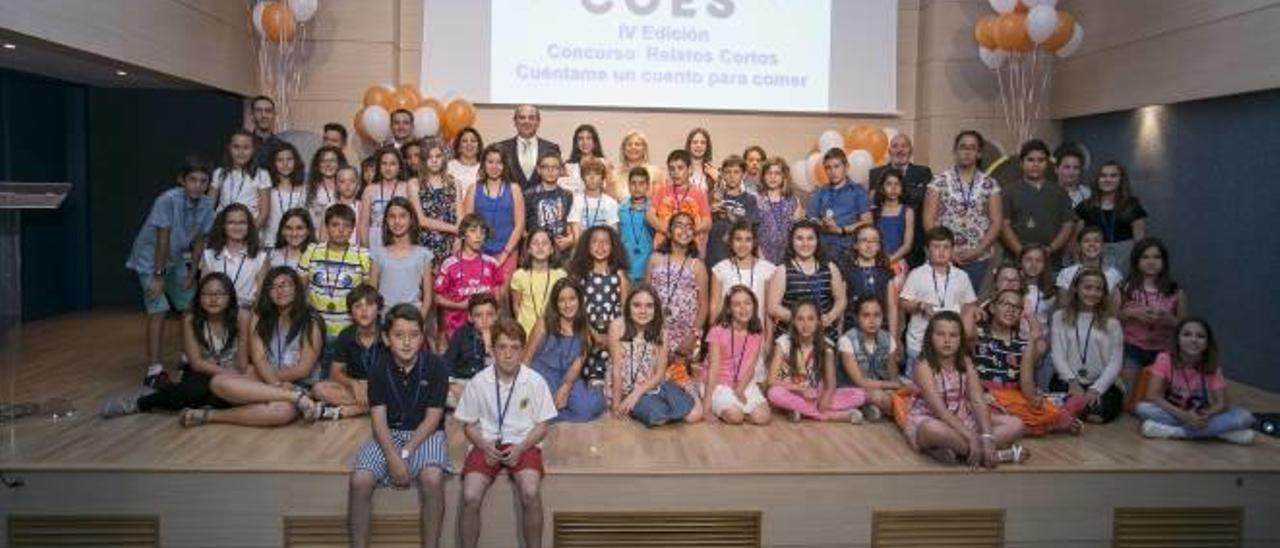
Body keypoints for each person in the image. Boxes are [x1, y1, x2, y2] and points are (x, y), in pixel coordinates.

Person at [348, 304, 450, 548]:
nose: (406, 342)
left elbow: (433, 418)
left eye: (414, 335)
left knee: (433, 478)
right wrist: (393, 457)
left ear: (422, 337)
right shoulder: (378, 369)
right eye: (398, 335)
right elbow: (378, 420)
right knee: (360, 480)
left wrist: (406, 452)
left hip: (425, 434)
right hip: (388, 433)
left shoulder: (436, 366)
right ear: (386, 337)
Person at [455, 319, 558, 548]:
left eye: (514, 348)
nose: (508, 354)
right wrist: (484, 445)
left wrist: (521, 447)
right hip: (486, 443)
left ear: (522, 350)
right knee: (470, 495)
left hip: (524, 442)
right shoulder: (479, 382)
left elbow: (542, 426)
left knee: (530, 491)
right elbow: (469, 425)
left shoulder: (535, 381)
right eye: (502, 347)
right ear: (492, 351)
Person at [186, 267, 324, 427]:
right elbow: (258, 358)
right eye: (272, 287)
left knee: (282, 411)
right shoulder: (260, 317)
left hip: (300, 383)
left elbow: (304, 369)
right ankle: (291, 398)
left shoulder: (311, 321)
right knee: (218, 382)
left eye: (285, 285)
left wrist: (277, 383)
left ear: (297, 289)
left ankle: (210, 416)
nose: (279, 291)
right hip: (268, 377)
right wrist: (276, 384)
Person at [102, 272, 246, 417]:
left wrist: (235, 373)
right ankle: (141, 402)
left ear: (230, 297)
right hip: (202, 372)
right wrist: (226, 373)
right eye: (207, 294)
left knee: (231, 396)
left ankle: (190, 399)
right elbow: (196, 363)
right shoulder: (191, 319)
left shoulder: (241, 318)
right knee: (194, 392)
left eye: (220, 294)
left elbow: (243, 363)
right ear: (199, 297)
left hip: (232, 371)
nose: (213, 299)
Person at [126, 157, 215, 388]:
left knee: (189, 305)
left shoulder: (206, 204)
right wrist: (157, 276)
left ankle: (189, 358)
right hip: (151, 260)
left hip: (175, 260)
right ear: (181, 180)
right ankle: (154, 369)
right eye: (192, 179)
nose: (197, 185)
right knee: (159, 308)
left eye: (203, 181)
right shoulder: (167, 200)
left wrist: (192, 271)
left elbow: (200, 240)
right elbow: (162, 240)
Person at [900, 312, 1028, 466]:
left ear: (961, 339)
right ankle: (995, 455)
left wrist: (987, 437)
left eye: (953, 335)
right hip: (933, 418)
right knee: (933, 430)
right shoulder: (923, 365)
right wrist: (970, 436)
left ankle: (963, 451)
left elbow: (978, 401)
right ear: (930, 337)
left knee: (1016, 425)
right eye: (940, 334)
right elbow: (939, 410)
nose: (947, 341)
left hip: (962, 417)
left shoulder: (965, 362)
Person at [971, 289, 1083, 436]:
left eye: (1016, 307)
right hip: (987, 396)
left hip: (1014, 395)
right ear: (992, 308)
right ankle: (1037, 425)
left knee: (1076, 401)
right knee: (986, 408)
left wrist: (1033, 337)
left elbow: (1027, 383)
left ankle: (1029, 423)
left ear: (1021, 314)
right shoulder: (978, 334)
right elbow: (965, 325)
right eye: (1005, 304)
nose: (1010, 309)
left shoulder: (1023, 344)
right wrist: (975, 309)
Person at [1136, 318, 1255, 444]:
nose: (1193, 340)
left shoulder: (1212, 365)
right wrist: (1185, 416)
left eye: (1200, 336)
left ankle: (1174, 432)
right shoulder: (1164, 359)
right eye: (1187, 335)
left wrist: (1202, 417)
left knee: (1245, 417)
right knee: (1143, 409)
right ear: (1178, 339)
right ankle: (1221, 433)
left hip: (1202, 415)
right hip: (1173, 412)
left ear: (1207, 343)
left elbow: (1222, 403)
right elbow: (1152, 395)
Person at [607, 286, 702, 426]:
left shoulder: (661, 331)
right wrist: (617, 404)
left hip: (652, 384)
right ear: (628, 307)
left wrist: (636, 394)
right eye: (637, 305)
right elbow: (616, 369)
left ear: (655, 309)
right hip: (626, 387)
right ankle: (661, 405)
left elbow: (659, 374)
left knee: (695, 415)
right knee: (658, 417)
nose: (643, 311)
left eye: (649, 306)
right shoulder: (617, 326)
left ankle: (689, 389)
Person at [923, 130, 1003, 293]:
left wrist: (977, 251)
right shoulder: (938, 181)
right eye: (963, 147)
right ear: (955, 151)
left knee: (972, 307)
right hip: (943, 256)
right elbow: (928, 219)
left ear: (979, 153)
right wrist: (947, 251)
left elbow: (996, 222)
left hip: (979, 257)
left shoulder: (990, 184)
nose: (967, 152)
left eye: (972, 148)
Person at [766, 300, 865, 423]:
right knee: (773, 393)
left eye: (810, 319)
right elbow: (771, 381)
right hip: (791, 392)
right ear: (794, 322)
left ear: (818, 322)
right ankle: (830, 416)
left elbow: (831, 384)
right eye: (800, 319)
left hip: (816, 395)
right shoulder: (783, 343)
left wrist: (826, 399)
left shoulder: (827, 346)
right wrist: (801, 390)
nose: (805, 324)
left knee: (860, 395)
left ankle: (801, 411)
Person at [524, 278, 606, 422]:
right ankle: (544, 414)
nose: (567, 305)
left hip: (568, 377)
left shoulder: (584, 331)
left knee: (586, 411)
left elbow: (577, 365)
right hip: (542, 376)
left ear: (579, 300)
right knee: (532, 408)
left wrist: (566, 387)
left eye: (572, 299)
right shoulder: (543, 324)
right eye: (562, 300)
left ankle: (551, 412)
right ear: (556, 304)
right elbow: (527, 359)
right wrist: (519, 387)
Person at [899, 227, 978, 374]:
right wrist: (920, 305)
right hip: (920, 343)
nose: (941, 252)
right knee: (915, 389)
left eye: (946, 247)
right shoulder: (916, 274)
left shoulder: (962, 276)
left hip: (951, 346)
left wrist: (972, 315)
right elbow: (903, 303)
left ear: (953, 250)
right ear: (927, 250)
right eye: (936, 247)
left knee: (946, 387)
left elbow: (970, 305)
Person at [1051, 268, 1125, 424]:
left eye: (1098, 289)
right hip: (1068, 380)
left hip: (1100, 383)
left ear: (1104, 293)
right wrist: (1072, 382)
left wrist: (1096, 388)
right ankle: (1075, 409)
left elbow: (1115, 362)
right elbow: (1057, 354)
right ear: (1076, 289)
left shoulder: (1113, 324)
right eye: (1087, 287)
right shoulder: (1060, 317)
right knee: (1064, 408)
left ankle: (1078, 410)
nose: (1092, 293)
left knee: (1096, 416)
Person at [298, 204, 376, 342]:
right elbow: (298, 291)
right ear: (327, 227)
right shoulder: (312, 251)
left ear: (353, 229)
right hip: (315, 328)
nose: (341, 230)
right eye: (335, 225)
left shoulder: (362, 255)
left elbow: (368, 297)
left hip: (348, 330)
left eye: (346, 226)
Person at [1117, 238, 1187, 391]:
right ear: (1137, 261)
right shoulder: (1126, 287)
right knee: (1126, 395)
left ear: (1164, 261)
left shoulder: (1175, 291)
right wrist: (1132, 313)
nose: (1151, 261)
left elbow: (1185, 329)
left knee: (1157, 396)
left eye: (1156, 257)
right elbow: (1113, 316)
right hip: (1132, 348)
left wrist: (1169, 319)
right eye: (1145, 257)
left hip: (1163, 350)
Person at [646, 213, 709, 382]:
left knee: (678, 382)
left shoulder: (698, 266)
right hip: (656, 332)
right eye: (679, 225)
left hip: (685, 337)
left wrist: (692, 336)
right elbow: (645, 297)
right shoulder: (655, 259)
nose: (685, 230)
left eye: (690, 227)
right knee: (653, 380)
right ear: (669, 231)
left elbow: (704, 306)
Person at [198, 204, 268, 353]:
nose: (237, 227)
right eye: (231, 222)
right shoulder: (209, 255)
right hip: (215, 315)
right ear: (222, 226)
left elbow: (261, 298)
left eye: (242, 222)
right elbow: (203, 293)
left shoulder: (261, 258)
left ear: (250, 226)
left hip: (247, 316)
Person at [766, 219, 847, 342]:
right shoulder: (783, 270)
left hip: (824, 336)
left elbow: (841, 300)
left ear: (817, 241)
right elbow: (773, 307)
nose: (805, 243)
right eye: (800, 238)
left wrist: (831, 316)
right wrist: (802, 321)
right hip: (791, 338)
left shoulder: (830, 267)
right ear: (792, 242)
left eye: (810, 238)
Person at [310, 284, 382, 421]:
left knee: (399, 391)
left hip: (383, 385)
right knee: (318, 389)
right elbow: (335, 373)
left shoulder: (387, 334)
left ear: (379, 309)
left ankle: (349, 411)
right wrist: (354, 384)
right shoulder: (346, 335)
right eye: (358, 306)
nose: (364, 310)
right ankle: (371, 408)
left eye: (370, 304)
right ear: (350, 313)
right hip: (356, 388)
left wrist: (370, 386)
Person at [570, 225, 631, 385]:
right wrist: (594, 335)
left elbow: (625, 311)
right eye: (595, 242)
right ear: (587, 246)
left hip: (613, 338)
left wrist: (610, 337)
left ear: (613, 247)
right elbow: (577, 310)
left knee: (611, 381)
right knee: (587, 381)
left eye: (605, 242)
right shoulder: (580, 276)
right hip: (586, 335)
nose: (600, 247)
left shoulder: (619, 276)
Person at [1001, 139, 1076, 267]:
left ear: (1047, 163)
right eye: (1030, 160)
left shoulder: (1059, 192)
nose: (1035, 164)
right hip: (1017, 261)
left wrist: (1051, 249)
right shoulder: (1009, 192)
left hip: (1051, 260)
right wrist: (1023, 253)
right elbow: (1004, 225)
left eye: (1041, 160)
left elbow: (1068, 224)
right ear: (1021, 163)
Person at [703, 287, 771, 425]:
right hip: (718, 383)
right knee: (735, 417)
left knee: (763, 418)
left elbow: (751, 367)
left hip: (743, 382)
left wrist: (740, 390)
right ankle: (730, 407)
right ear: (729, 309)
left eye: (747, 303)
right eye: (737, 304)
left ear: (754, 305)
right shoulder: (717, 331)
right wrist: (707, 406)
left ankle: (738, 407)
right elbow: (713, 368)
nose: (743, 308)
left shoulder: (757, 333)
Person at [434, 214, 504, 342]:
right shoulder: (449, 264)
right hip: (456, 331)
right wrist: (460, 305)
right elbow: (437, 298)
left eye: (482, 232)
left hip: (485, 332)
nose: (478, 236)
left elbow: (498, 299)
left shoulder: (492, 263)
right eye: (473, 231)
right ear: (463, 235)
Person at [869, 133, 933, 267]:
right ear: (889, 151)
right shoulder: (875, 173)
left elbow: (924, 203)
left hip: (914, 245)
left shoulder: (923, 172)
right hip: (883, 246)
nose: (900, 150)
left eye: (904, 146)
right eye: (895, 146)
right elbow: (873, 204)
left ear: (911, 150)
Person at [463, 144, 526, 280]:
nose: (494, 167)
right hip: (477, 251)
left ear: (505, 165)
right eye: (490, 162)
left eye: (499, 162)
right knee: (480, 295)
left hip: (507, 251)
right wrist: (474, 252)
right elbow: (466, 225)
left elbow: (520, 225)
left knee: (502, 295)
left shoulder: (514, 189)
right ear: (483, 164)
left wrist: (505, 254)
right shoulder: (473, 189)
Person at [1074, 161, 1147, 274]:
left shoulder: (1132, 206)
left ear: (1121, 180)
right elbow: (1076, 243)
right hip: (1093, 259)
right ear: (1096, 179)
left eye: (1113, 176)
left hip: (1126, 259)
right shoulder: (1085, 207)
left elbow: (1140, 243)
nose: (1108, 179)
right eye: (1103, 176)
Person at [837, 296, 901, 421]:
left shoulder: (888, 340)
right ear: (857, 317)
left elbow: (893, 376)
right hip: (853, 389)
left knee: (906, 394)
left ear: (883, 317)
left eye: (877, 315)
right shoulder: (847, 340)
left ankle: (871, 408)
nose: (872, 320)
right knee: (879, 397)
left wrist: (896, 388)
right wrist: (893, 385)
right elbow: (859, 381)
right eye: (866, 315)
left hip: (881, 387)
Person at [709, 220, 775, 335]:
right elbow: (715, 307)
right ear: (731, 241)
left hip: (757, 335)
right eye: (738, 239)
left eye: (748, 240)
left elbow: (769, 311)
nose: (743, 245)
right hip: (727, 335)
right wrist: (714, 338)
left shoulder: (767, 270)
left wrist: (769, 341)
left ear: (754, 242)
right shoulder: (720, 269)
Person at [806, 148, 873, 261]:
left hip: (847, 249)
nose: (832, 172)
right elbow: (810, 219)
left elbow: (868, 222)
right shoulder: (820, 192)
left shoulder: (857, 191)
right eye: (828, 168)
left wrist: (841, 230)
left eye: (837, 166)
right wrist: (823, 224)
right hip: (822, 248)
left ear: (846, 167)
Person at [838, 225, 901, 339]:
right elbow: (841, 308)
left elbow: (892, 307)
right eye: (864, 240)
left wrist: (893, 339)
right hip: (852, 332)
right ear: (855, 245)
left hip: (880, 332)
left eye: (873, 241)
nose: (869, 245)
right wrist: (839, 335)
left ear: (879, 246)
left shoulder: (886, 273)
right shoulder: (846, 272)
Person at [372, 197, 433, 313]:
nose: (397, 221)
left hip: (413, 318)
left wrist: (420, 320)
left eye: (402, 216)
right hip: (385, 319)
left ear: (411, 220)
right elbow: (372, 295)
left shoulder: (424, 254)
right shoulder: (378, 254)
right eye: (392, 217)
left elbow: (428, 298)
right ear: (386, 221)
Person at [442, 293, 500, 408]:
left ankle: (474, 406)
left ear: (496, 316)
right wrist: (452, 385)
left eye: (489, 315)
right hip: (463, 383)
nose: (484, 320)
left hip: (489, 384)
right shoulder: (461, 334)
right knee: (442, 394)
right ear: (470, 317)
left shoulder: (501, 336)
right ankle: (476, 405)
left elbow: (499, 371)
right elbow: (447, 362)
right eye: (478, 315)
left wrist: (488, 344)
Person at [647, 149, 711, 251]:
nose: (676, 172)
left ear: (689, 169)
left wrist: (687, 231)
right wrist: (667, 230)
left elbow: (707, 222)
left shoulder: (699, 193)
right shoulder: (661, 191)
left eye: (680, 168)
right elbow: (650, 216)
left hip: (690, 247)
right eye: (672, 169)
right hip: (663, 246)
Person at [510, 228, 568, 337]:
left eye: (545, 243)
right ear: (529, 249)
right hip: (526, 333)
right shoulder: (519, 275)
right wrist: (521, 327)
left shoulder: (561, 275)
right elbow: (516, 305)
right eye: (535, 243)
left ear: (551, 249)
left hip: (553, 333)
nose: (540, 247)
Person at [705, 155, 759, 269]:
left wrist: (729, 214)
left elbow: (748, 228)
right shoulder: (713, 196)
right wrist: (710, 212)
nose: (732, 176)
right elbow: (703, 225)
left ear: (743, 175)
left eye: (736, 172)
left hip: (739, 259)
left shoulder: (750, 200)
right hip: (714, 256)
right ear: (722, 175)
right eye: (728, 172)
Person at [209, 130, 271, 228]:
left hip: (249, 229)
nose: (241, 152)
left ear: (253, 150)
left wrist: (251, 235)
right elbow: (208, 206)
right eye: (236, 147)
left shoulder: (262, 174)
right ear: (229, 148)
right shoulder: (219, 173)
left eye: (246, 148)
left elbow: (264, 213)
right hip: (222, 228)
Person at [416, 139, 461, 269]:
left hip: (451, 244)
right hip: (425, 243)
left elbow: (460, 215)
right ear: (423, 160)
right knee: (427, 287)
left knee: (449, 286)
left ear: (444, 159)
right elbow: (421, 220)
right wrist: (455, 229)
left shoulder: (454, 183)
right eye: (429, 157)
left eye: (438, 156)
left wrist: (459, 238)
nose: (434, 160)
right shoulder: (415, 184)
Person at [358, 147, 414, 254]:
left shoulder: (407, 187)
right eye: (384, 164)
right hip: (375, 240)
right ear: (379, 166)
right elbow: (364, 223)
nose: (388, 168)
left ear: (400, 167)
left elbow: (413, 220)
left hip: (400, 240)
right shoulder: (370, 190)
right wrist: (364, 250)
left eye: (392, 164)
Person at [496, 104, 561, 190]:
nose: (527, 121)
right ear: (515, 122)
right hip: (510, 201)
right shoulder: (501, 148)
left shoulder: (551, 148)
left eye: (531, 118)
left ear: (538, 122)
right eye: (522, 118)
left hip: (542, 201)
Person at [523, 152, 575, 257]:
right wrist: (534, 243)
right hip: (537, 251)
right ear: (538, 170)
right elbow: (521, 227)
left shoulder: (567, 195)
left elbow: (571, 223)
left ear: (561, 170)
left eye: (555, 167)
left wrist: (570, 240)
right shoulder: (528, 195)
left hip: (561, 251)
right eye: (546, 167)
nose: (550, 171)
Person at [756, 157, 804, 265]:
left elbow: (799, 231)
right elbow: (753, 233)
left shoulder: (793, 201)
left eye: (777, 173)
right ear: (763, 176)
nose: (773, 177)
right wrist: (761, 257)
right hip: (762, 257)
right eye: (769, 173)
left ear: (784, 176)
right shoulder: (756, 200)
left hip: (789, 257)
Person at [263, 142, 309, 248]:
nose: (285, 164)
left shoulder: (305, 190)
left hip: (298, 245)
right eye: (280, 160)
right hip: (270, 244)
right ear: (273, 163)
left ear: (296, 162)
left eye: (289, 159)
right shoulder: (267, 190)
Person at [1055, 225, 1123, 293]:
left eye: (1096, 241)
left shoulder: (1113, 274)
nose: (1092, 244)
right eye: (1086, 241)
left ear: (1102, 247)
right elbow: (1063, 302)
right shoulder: (1067, 274)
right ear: (1079, 247)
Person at [874, 169, 915, 272]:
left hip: (898, 261)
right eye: (888, 184)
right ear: (882, 188)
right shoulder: (874, 212)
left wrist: (889, 260)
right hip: (876, 260)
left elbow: (907, 245)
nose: (893, 188)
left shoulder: (907, 211)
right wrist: (878, 260)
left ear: (902, 188)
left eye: (897, 184)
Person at [618, 167, 654, 284]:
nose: (637, 187)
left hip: (648, 267)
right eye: (633, 183)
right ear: (628, 185)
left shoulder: (654, 210)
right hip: (626, 266)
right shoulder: (620, 210)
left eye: (641, 183)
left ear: (648, 186)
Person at [568, 157, 620, 235]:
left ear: (602, 177)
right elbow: (575, 231)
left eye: (596, 174)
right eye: (588, 174)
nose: (592, 178)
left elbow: (614, 232)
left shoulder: (611, 203)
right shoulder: (576, 201)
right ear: (582, 177)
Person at [611, 129, 664, 200]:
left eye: (637, 144)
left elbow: (659, 201)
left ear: (644, 149)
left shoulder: (655, 172)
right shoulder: (614, 174)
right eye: (629, 144)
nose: (633, 147)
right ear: (623, 149)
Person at [308, 145, 349, 229]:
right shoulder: (308, 190)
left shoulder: (348, 189)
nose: (328, 164)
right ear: (318, 165)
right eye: (323, 161)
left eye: (332, 161)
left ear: (339, 163)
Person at [564, 124, 610, 195]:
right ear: (576, 142)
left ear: (594, 141)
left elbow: (609, 189)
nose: (585, 142)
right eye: (580, 139)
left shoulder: (604, 163)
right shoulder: (568, 166)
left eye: (588, 138)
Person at [447, 126, 483, 198]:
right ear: (458, 147)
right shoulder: (449, 166)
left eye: (473, 141)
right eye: (464, 141)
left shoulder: (484, 167)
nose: (469, 143)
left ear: (479, 147)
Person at [248, 95, 283, 169]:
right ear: (252, 115)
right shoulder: (242, 145)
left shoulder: (281, 146)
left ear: (274, 115)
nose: (263, 115)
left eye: (268, 111)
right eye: (258, 110)